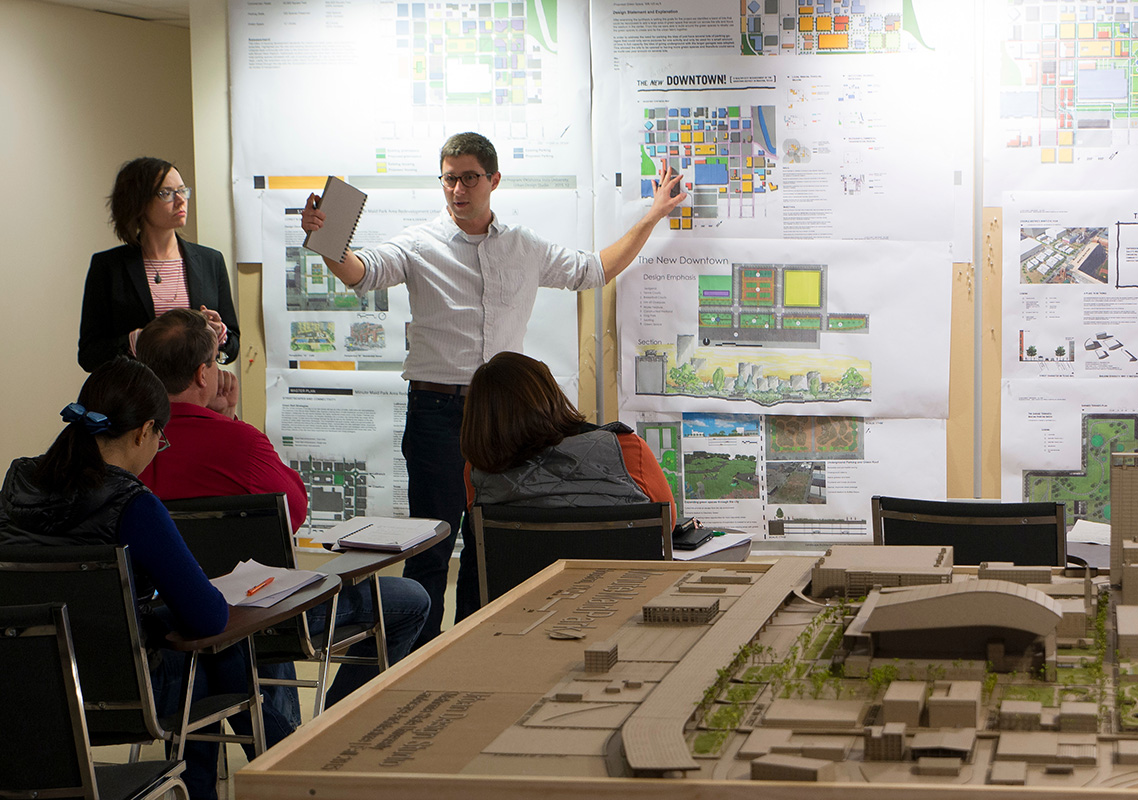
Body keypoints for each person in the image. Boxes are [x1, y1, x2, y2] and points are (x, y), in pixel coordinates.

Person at [300, 132, 685, 644]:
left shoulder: (522, 246)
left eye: (468, 177)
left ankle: (474, 650)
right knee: (431, 548)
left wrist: (654, 214)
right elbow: (360, 272)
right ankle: (419, 663)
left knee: (492, 544)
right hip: (438, 413)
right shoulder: (418, 244)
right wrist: (327, 243)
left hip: (506, 418)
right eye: (449, 178)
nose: (457, 189)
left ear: (493, 180)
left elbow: (595, 269)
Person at [0, 358, 277, 800]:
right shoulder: (134, 505)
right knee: (224, 658)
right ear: (142, 432)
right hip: (120, 695)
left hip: (24, 687)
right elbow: (206, 617)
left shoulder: (18, 482)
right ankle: (285, 773)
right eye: (160, 438)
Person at [137, 308, 430, 706]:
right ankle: (332, 721)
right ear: (202, 375)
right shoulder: (240, 444)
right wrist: (230, 421)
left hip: (169, 620)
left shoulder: (133, 445)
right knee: (411, 599)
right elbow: (293, 514)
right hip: (256, 615)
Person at [460, 351, 676, 526]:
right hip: (624, 579)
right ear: (551, 397)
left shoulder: (479, 471)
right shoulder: (626, 448)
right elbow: (668, 522)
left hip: (526, 581)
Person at [78, 157, 239, 372]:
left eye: (183, 190)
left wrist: (220, 335)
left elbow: (233, 348)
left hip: (198, 397)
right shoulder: (108, 267)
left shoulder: (211, 261)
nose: (181, 200)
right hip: (137, 399)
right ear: (139, 203)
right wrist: (134, 341)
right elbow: (89, 356)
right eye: (167, 193)